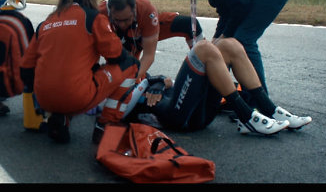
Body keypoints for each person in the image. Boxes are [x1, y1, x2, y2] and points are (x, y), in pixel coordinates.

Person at [156, 0, 295, 97]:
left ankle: (259, 103)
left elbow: (240, 7)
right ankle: (229, 95)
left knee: (243, 41)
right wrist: (217, 38)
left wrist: (224, 36)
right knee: (222, 44)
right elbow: (225, 10)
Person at [20, 0, 140, 143]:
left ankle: (60, 117)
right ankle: (106, 124)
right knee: (132, 64)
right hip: (76, 96)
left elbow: (25, 69)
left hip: (44, 99)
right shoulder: (92, 18)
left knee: (73, 74)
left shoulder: (45, 23)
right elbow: (116, 56)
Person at [121, 38, 312, 135]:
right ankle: (247, 117)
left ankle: (270, 109)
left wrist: (157, 82)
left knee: (228, 44)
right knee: (204, 49)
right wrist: (152, 88)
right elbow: (120, 108)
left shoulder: (139, 73)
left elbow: (163, 80)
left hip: (197, 109)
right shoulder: (109, 86)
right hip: (177, 117)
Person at [98, 0, 204, 80]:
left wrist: (131, 79)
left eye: (126, 20)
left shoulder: (146, 10)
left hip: (144, 29)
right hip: (117, 39)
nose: (122, 24)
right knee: (124, 72)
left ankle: (204, 68)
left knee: (189, 24)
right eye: (117, 20)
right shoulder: (98, 15)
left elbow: (149, 55)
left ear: (135, 11)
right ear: (109, 13)